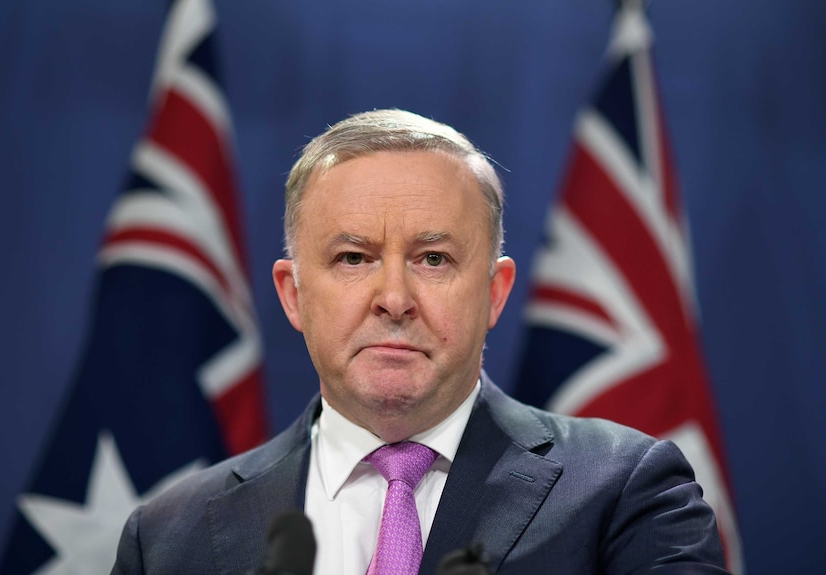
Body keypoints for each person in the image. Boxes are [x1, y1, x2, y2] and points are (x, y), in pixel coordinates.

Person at [111, 109, 728, 574]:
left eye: (433, 259)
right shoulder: (169, 538)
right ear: (294, 295)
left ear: (494, 291)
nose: (395, 297)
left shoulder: (623, 495)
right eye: (353, 258)